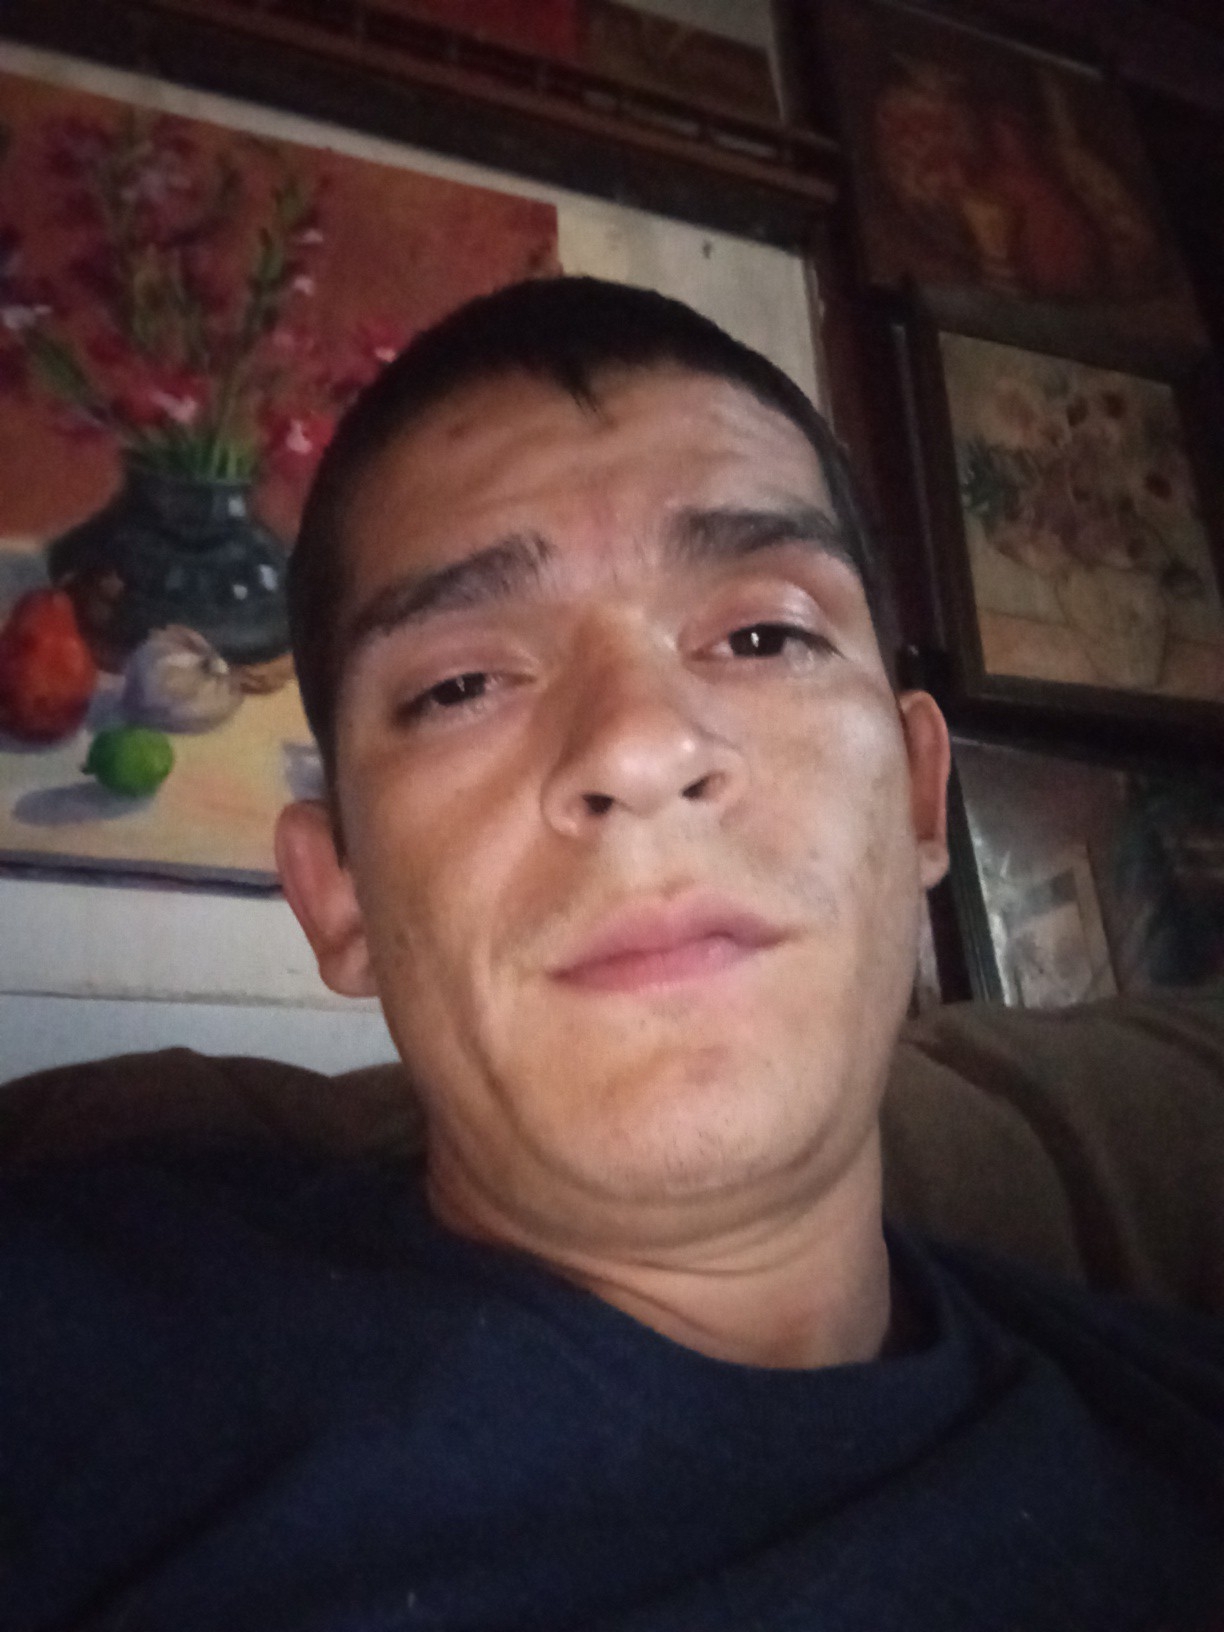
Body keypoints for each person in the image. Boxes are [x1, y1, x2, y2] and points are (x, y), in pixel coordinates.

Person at [2, 277, 1221, 1632]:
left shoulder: (1181, 1441)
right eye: (461, 685)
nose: (640, 746)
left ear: (921, 799)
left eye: (763, 634)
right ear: (337, 893)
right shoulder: (70, 1359)